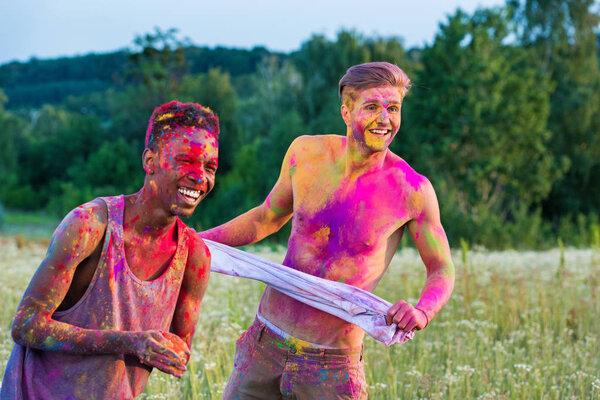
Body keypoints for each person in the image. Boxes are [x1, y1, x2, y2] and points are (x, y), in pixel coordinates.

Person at [201, 61, 455, 399]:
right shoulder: (306, 153)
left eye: (393, 108)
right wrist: (194, 241)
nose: (385, 119)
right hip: (263, 346)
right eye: (372, 107)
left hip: (331, 367)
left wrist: (422, 310)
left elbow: (441, 267)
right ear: (346, 112)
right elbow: (266, 218)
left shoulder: (412, 190)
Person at [1, 101, 219, 399]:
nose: (199, 177)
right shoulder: (90, 226)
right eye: (185, 161)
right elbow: (25, 325)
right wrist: (130, 343)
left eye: (210, 167)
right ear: (150, 161)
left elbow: (178, 352)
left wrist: (169, 352)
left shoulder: (194, 256)